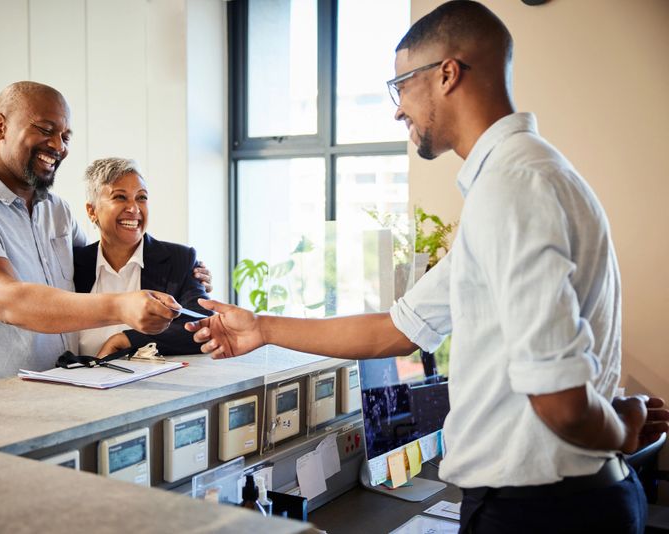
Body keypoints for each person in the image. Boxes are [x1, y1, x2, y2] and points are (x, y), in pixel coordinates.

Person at [185, 2, 669, 532]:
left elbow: (561, 402)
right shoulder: (519, 181)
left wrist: (624, 426)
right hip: (551, 501)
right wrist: (261, 328)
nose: (396, 109)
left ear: (446, 74)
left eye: (401, 85)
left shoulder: (513, 189)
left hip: (542, 513)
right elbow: (399, 328)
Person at [0, 81, 181, 391]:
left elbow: (100, 272)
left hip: (53, 392)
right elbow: (8, 301)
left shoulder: (59, 212)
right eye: (45, 130)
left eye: (65, 136)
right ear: (0, 126)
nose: (59, 146)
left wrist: (183, 273)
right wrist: (121, 306)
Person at [73, 157, 212, 357]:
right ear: (92, 211)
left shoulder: (179, 259)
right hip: (75, 384)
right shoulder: (73, 264)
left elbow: (203, 324)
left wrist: (128, 339)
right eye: (120, 197)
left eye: (141, 197)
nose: (134, 208)